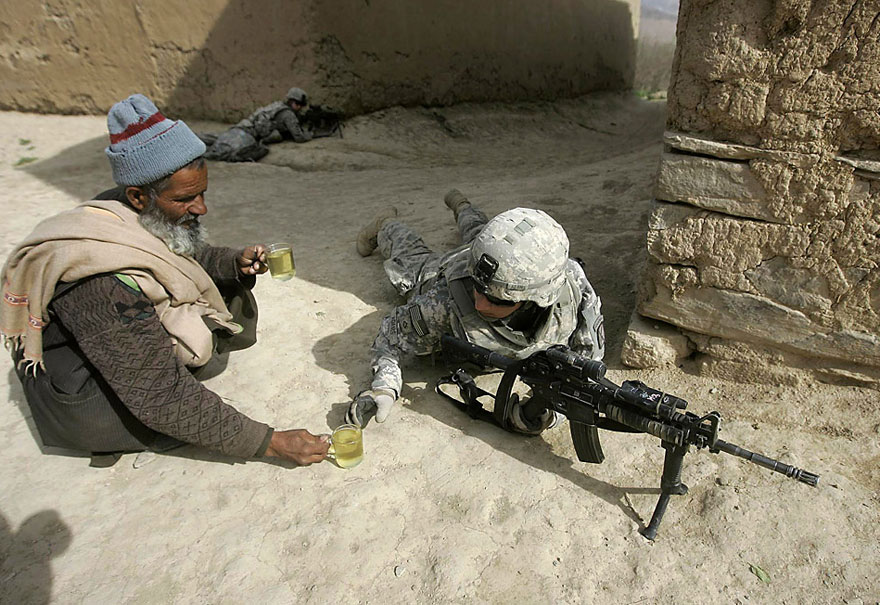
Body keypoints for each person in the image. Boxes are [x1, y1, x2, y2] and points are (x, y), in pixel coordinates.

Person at [0, 94, 330, 467]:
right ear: (138, 196)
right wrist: (270, 442)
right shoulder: (100, 279)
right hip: (85, 394)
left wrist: (231, 263)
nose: (201, 208)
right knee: (162, 415)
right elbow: (160, 396)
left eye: (202, 193)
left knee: (206, 310)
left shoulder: (138, 210)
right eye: (186, 199)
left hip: (116, 346)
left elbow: (180, 254)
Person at [347, 190, 606, 433]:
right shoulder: (443, 304)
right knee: (411, 256)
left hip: (485, 257)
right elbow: (389, 338)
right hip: (443, 270)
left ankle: (462, 206)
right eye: (477, 290)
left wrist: (552, 411)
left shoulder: (571, 284)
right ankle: (386, 224)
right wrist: (384, 388)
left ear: (536, 299)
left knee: (476, 229)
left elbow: (588, 358)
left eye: (496, 300)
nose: (480, 304)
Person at [201, 87, 315, 163]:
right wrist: (311, 134)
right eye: (299, 105)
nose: (300, 108)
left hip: (241, 127)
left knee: (216, 143)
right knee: (221, 154)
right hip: (247, 136)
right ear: (293, 103)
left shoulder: (278, 106)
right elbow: (299, 137)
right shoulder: (288, 114)